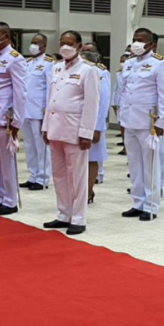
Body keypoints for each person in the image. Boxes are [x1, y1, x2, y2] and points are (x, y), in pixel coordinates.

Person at [42, 31, 101, 236]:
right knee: (58, 174)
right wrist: (45, 127)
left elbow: (92, 104)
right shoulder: (56, 67)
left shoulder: (87, 70)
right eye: (63, 43)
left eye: (70, 43)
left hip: (75, 130)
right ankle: (63, 214)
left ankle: (78, 218)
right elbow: (51, 99)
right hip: (55, 128)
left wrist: (87, 132)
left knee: (76, 175)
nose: (65, 46)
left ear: (78, 45)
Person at [120, 27, 164, 221]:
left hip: (149, 122)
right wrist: (122, 119)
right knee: (134, 164)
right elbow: (125, 91)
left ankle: (151, 205)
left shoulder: (160, 65)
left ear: (152, 44)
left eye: (141, 40)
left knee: (150, 165)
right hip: (130, 119)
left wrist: (161, 123)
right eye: (135, 39)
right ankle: (137, 202)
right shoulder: (128, 63)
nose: (136, 43)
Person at [0, 22, 28, 216]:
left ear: (6, 37)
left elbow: (20, 92)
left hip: (5, 117)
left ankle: (10, 200)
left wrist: (17, 121)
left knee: (6, 159)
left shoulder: (15, 59)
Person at [20, 34, 54, 191]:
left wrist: (47, 111)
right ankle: (33, 175)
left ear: (44, 46)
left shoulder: (49, 64)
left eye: (37, 43)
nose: (33, 46)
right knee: (29, 145)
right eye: (32, 43)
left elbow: (50, 89)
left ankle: (43, 178)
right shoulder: (27, 63)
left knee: (41, 146)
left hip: (39, 111)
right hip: (25, 110)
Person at [83, 48, 110, 203]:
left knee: (92, 158)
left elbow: (103, 101)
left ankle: (88, 191)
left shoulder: (100, 72)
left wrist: (98, 127)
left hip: (93, 122)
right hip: (76, 121)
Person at [114, 53, 129, 156]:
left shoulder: (131, 73)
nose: (122, 63)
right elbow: (116, 90)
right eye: (121, 61)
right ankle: (125, 145)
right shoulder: (118, 74)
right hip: (120, 103)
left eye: (125, 61)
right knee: (122, 126)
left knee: (128, 127)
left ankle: (129, 147)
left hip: (129, 104)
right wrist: (114, 103)